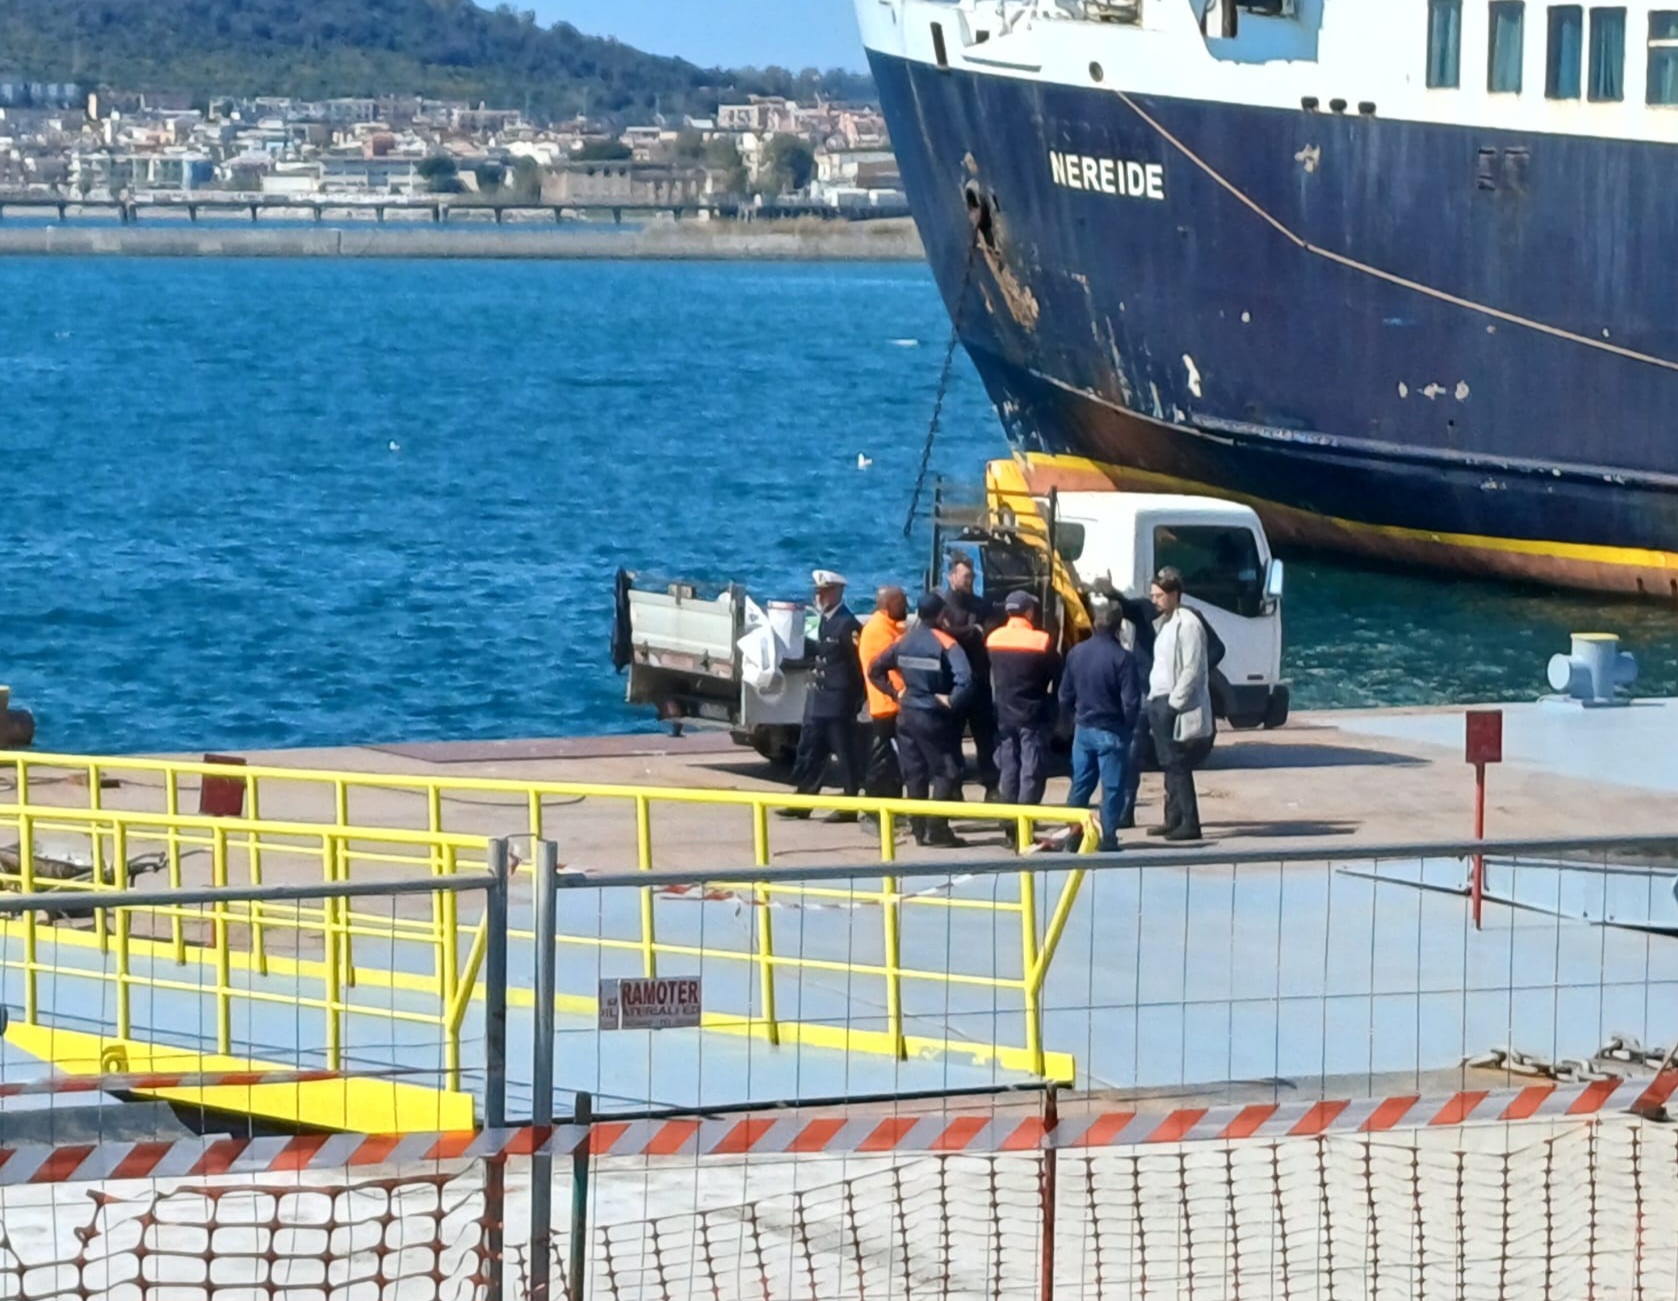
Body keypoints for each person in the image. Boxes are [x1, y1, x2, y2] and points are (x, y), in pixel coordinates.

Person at [867, 591, 973, 848]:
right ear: (941, 614)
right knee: (948, 771)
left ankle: (918, 829)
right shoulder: (946, 643)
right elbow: (966, 679)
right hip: (932, 715)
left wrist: (895, 693)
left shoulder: (904, 641)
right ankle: (937, 829)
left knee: (914, 773)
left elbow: (874, 669)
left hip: (906, 714)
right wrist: (952, 700)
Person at [778, 569, 866, 823]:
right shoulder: (824, 620)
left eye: (824, 592)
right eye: (818, 592)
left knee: (845, 753)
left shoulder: (847, 624)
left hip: (839, 702)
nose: (819, 596)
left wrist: (856, 700)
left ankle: (850, 804)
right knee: (811, 751)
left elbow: (858, 665)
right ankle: (804, 800)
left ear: (837, 592)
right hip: (819, 698)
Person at [1059, 602, 1143, 853]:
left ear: (1095, 623)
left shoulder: (1076, 653)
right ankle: (1108, 838)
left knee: (1080, 786)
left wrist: (1072, 718)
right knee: (1112, 787)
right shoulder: (1123, 658)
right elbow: (1131, 702)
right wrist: (1127, 727)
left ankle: (1073, 837)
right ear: (1119, 626)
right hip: (1112, 730)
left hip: (1083, 729)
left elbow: (1064, 695)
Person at [1146, 566, 1215, 842]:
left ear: (1175, 594)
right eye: (1153, 595)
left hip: (1172, 702)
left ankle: (1189, 821)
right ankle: (1172, 817)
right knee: (1168, 764)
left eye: (1159, 595)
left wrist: (1174, 705)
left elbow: (1192, 668)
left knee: (1178, 764)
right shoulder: (1166, 622)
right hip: (1159, 697)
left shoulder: (1188, 625)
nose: (1154, 600)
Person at [985, 591, 1062, 817]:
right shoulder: (1041, 640)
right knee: (1031, 767)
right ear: (1029, 612)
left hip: (1003, 713)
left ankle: (1008, 817)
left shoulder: (993, 638)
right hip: (1032, 713)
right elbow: (1057, 673)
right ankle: (1026, 816)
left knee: (1009, 765)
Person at [939, 553, 1001, 800]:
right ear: (951, 577)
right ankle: (954, 789)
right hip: (952, 684)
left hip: (979, 681)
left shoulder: (982, 605)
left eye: (972, 576)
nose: (969, 581)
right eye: (965, 576)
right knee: (951, 739)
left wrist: (969, 632)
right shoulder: (943, 605)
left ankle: (992, 787)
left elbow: (989, 631)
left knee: (986, 739)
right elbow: (944, 635)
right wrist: (970, 631)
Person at [857, 584, 909, 803]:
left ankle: (890, 803)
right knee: (882, 759)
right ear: (889, 604)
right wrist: (897, 692)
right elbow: (887, 667)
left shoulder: (894, 626)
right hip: (887, 704)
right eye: (901, 601)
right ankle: (875, 804)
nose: (906, 605)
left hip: (896, 704)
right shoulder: (878, 629)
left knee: (893, 761)